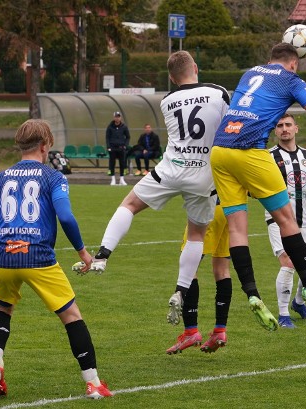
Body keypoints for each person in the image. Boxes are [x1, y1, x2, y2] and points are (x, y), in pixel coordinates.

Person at [211, 42, 306, 331]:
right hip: (249, 150)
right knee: (286, 218)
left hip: (220, 150)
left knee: (236, 228)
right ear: (294, 62)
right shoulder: (292, 79)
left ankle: (252, 293)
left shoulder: (250, 72)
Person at [0, 119, 112, 399]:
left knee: (1, 310)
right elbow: (65, 216)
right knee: (72, 316)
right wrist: (83, 252)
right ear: (44, 145)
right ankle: (93, 383)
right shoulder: (53, 177)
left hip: (3, 256)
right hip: (38, 256)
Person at [73, 51, 230, 327]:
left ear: (171, 77)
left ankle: (103, 255)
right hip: (203, 174)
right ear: (195, 67)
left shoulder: (168, 100)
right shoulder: (219, 93)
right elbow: (229, 128)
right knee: (196, 234)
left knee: (129, 205)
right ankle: (181, 290)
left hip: (170, 168)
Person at [267, 114, 306, 329]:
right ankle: (283, 315)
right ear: (275, 131)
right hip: (278, 220)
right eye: (280, 125)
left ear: (296, 129)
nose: (284, 129)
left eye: (288, 125)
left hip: (304, 220)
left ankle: (298, 303)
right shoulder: (268, 157)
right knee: (289, 264)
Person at [167, 202, 232, 354]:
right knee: (222, 270)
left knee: (189, 268)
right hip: (231, 209)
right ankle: (220, 331)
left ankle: (191, 332)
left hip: (209, 208)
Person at [105, 111, 131, 186]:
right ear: (114, 117)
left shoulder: (124, 126)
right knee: (112, 163)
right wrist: (108, 146)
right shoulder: (110, 127)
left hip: (121, 147)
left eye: (118, 116)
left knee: (122, 163)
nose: (117, 118)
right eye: (116, 117)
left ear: (120, 118)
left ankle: (121, 179)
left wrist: (125, 145)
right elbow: (107, 137)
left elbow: (128, 137)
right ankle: (113, 179)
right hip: (112, 148)